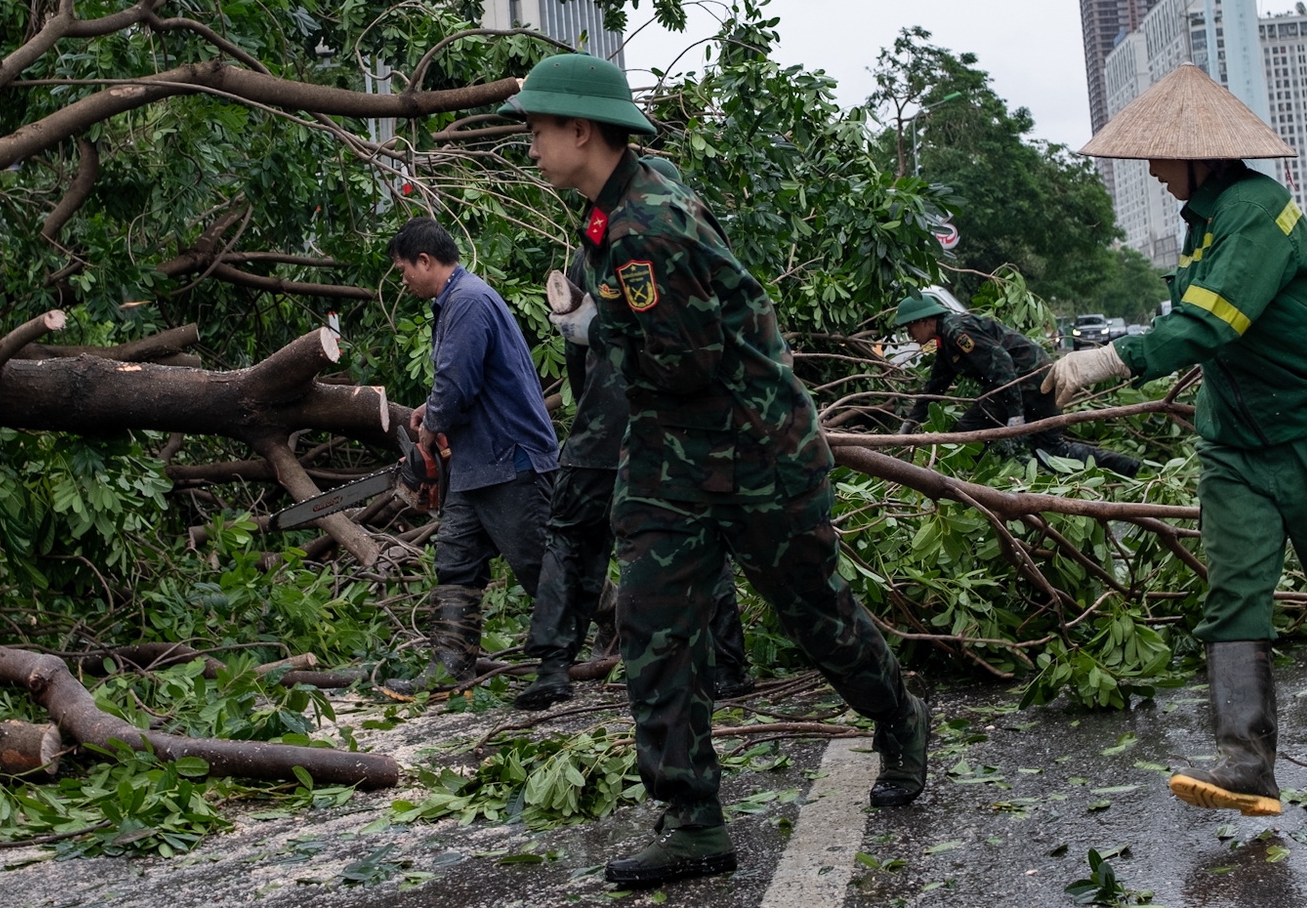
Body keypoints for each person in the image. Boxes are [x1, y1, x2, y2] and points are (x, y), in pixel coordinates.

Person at [506, 53, 927, 888]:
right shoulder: (618, 202)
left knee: (817, 616)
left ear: (582, 131)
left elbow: (685, 363)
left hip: (755, 452)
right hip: (673, 456)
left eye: (538, 129)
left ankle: (898, 714)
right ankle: (693, 820)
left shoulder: (644, 229)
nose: (530, 147)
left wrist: (595, 329)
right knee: (656, 632)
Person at [1039, 64, 1307, 819]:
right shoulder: (1202, 224)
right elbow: (1198, 323)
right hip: (1236, 442)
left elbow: (1211, 322)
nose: (1154, 171)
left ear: (1203, 155)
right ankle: (1247, 759)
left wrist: (1109, 359)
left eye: (1162, 158)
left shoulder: (1258, 211)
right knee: (1235, 585)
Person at [516, 158, 756, 712]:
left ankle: (553, 666)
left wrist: (592, 407)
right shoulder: (690, 237)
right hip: (675, 424)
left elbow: (578, 351)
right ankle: (727, 665)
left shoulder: (596, 248)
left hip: (609, 423)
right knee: (699, 539)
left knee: (573, 537)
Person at [386, 218, 560, 694]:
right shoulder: (455, 303)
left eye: (404, 269)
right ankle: (451, 665)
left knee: (537, 564)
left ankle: (619, 625)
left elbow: (457, 384)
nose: (403, 280)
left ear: (425, 261)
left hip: (510, 458)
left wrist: (428, 435)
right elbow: (458, 380)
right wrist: (430, 410)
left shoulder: (468, 302)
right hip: (477, 463)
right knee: (456, 558)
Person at [894, 291, 1145, 477]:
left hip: (1027, 382)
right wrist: (910, 423)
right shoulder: (946, 340)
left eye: (909, 328)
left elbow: (1003, 363)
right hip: (1034, 380)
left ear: (924, 321)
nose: (909, 336)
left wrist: (1015, 414)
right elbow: (935, 386)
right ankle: (1126, 467)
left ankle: (966, 484)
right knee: (1050, 452)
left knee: (966, 436)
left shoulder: (956, 331)